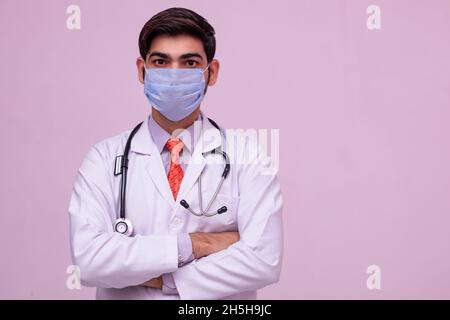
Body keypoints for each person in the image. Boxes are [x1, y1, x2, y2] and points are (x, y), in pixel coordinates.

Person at [68, 7, 283, 300]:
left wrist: (164, 279)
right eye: (160, 61)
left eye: (190, 62)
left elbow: (263, 262)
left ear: (212, 73)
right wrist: (197, 245)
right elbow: (90, 261)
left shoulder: (249, 155)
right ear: (142, 71)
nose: (174, 74)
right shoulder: (103, 158)